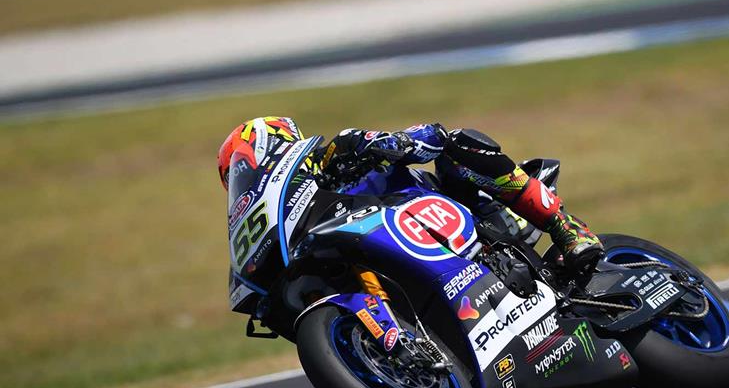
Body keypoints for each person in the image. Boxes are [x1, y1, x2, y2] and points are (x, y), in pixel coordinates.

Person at [218, 116, 603, 276]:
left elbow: (428, 136)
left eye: (240, 167)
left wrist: (391, 143)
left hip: (448, 212)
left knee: (457, 145)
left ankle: (566, 227)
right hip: (389, 249)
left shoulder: (337, 153)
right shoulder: (291, 214)